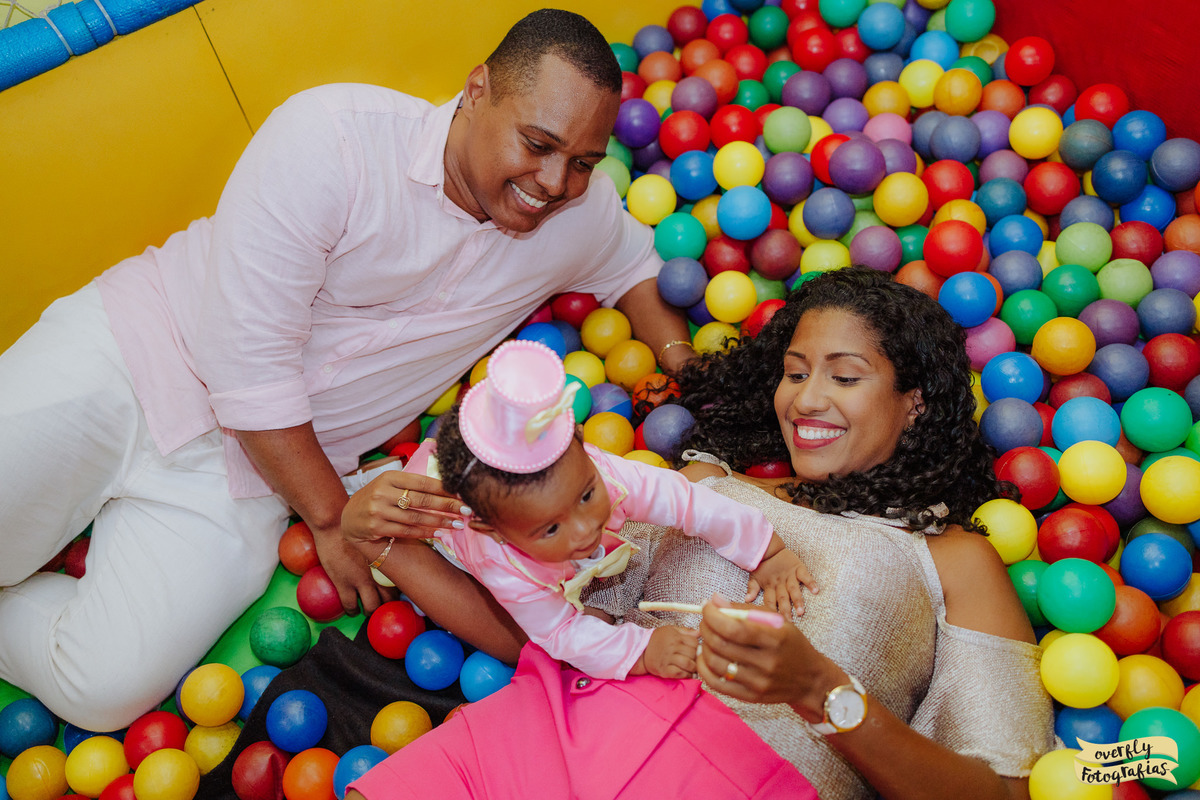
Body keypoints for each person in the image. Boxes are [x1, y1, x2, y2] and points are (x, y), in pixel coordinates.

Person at [0, 8, 697, 731]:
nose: (555, 181)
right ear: (478, 90)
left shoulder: (575, 213)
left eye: (583, 161)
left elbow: (635, 269)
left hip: (249, 484)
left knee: (103, 687)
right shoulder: (332, 139)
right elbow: (247, 364)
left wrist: (688, 378)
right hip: (135, 353)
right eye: (538, 143)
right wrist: (332, 518)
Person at [346, 267, 1056, 800]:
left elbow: (1004, 793)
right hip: (546, 737)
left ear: (914, 405)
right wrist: (385, 541)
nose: (806, 399)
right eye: (795, 372)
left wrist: (821, 692)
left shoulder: (953, 557)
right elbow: (539, 629)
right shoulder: (704, 486)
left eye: (845, 377)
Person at [353, 339, 814, 681]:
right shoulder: (504, 561)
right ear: (494, 530)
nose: (584, 530)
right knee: (550, 634)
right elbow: (560, 633)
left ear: (584, 452)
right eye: (551, 528)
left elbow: (688, 502)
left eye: (586, 497)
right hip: (438, 524)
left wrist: (765, 551)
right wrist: (641, 651)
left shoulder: (604, 476)